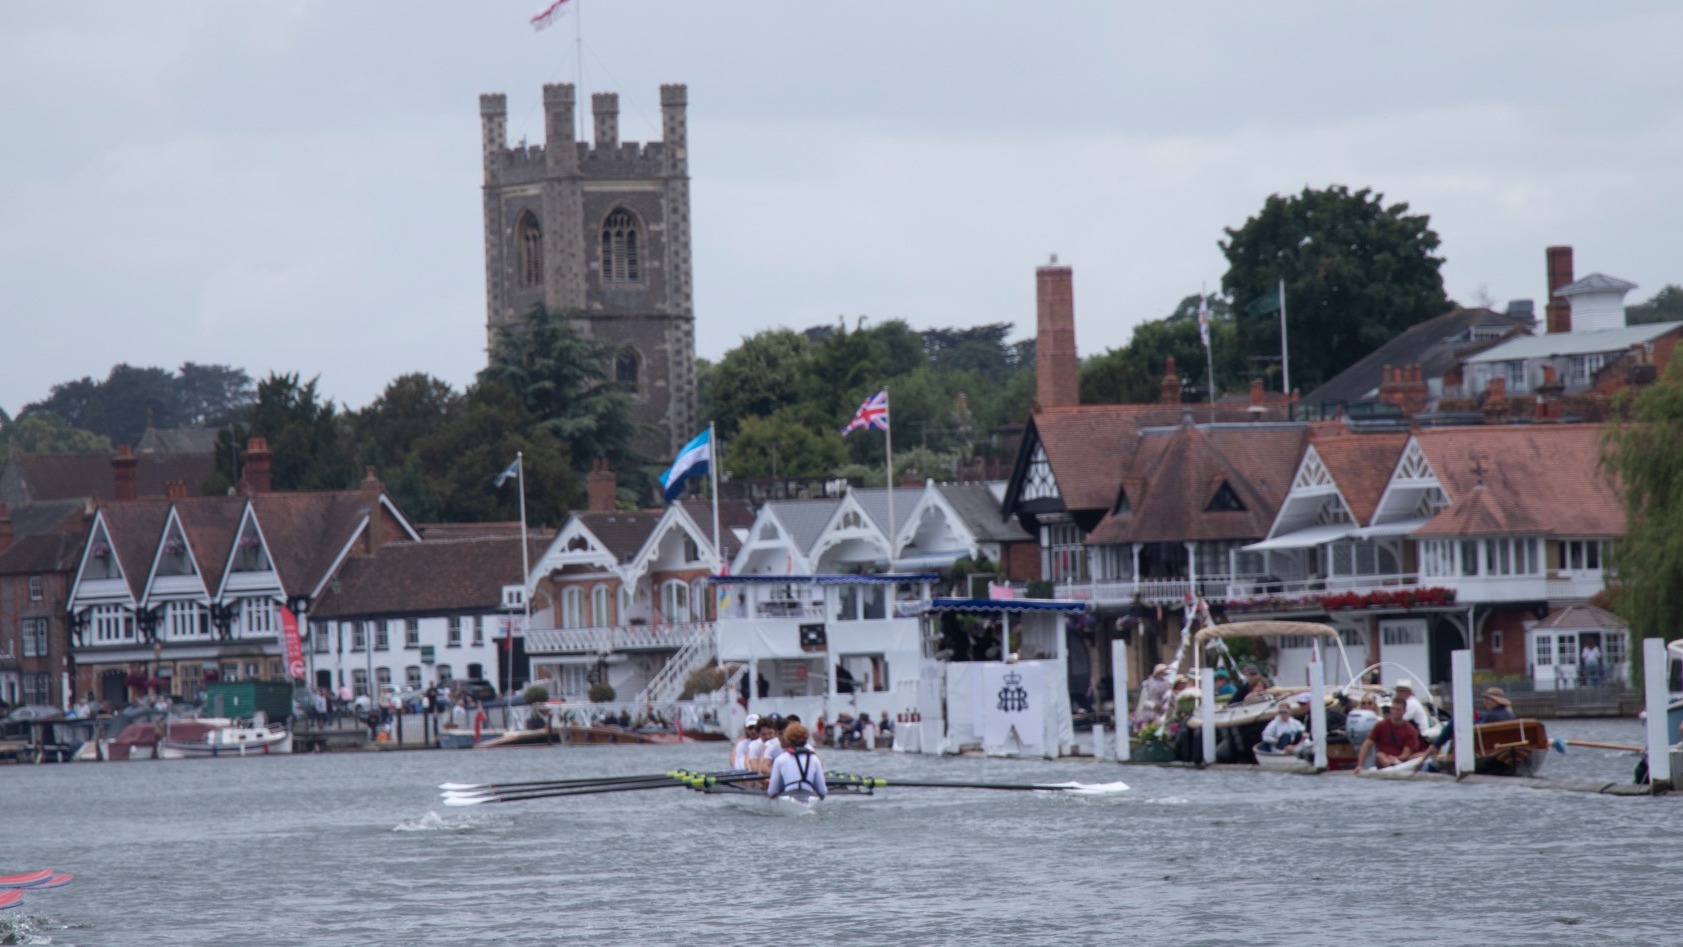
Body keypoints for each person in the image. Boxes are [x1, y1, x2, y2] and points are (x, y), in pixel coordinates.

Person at [1355, 698, 1429, 773]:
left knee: (1421, 755)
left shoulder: (1410, 730)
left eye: (1398, 710)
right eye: (1393, 709)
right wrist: (1359, 765)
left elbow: (1406, 754)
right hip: (1383, 759)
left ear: (1404, 711)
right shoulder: (1380, 725)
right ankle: (1389, 766)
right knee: (1380, 755)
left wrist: (1396, 758)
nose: (1395, 712)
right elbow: (1366, 744)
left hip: (1401, 761)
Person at [766, 723, 826, 800]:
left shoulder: (780, 759)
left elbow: (771, 792)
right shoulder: (815, 759)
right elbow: (822, 791)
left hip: (787, 797)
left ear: (788, 739)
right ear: (806, 739)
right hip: (809, 796)